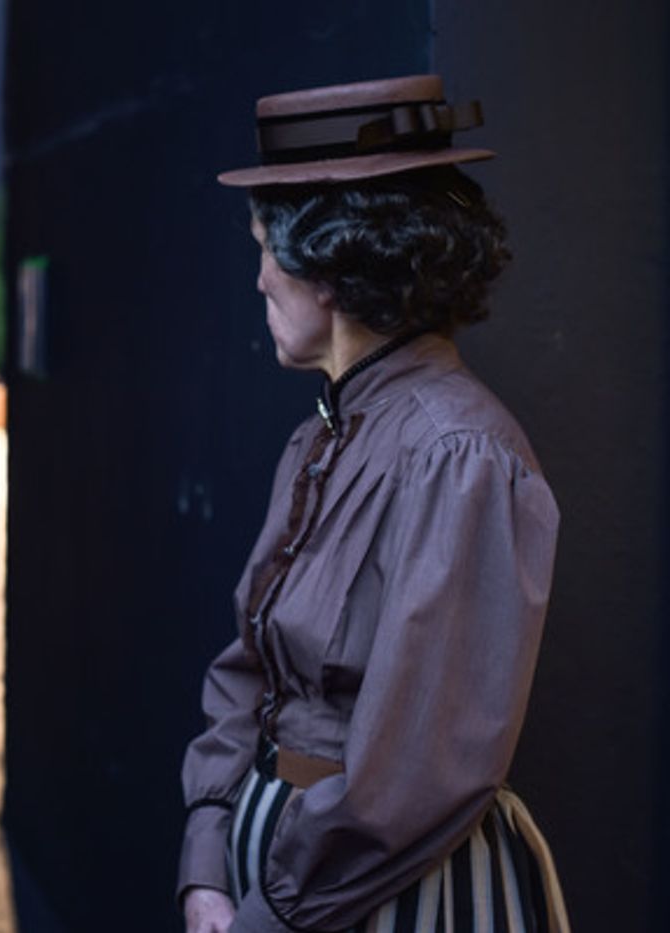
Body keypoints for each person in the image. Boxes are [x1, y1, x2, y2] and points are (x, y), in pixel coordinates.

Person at [178, 75, 569, 933]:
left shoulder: (459, 454)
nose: (259, 281)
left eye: (265, 250)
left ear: (328, 269)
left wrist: (272, 913)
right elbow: (248, 667)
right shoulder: (323, 435)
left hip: (380, 896)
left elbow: (419, 770)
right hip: (281, 877)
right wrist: (207, 856)